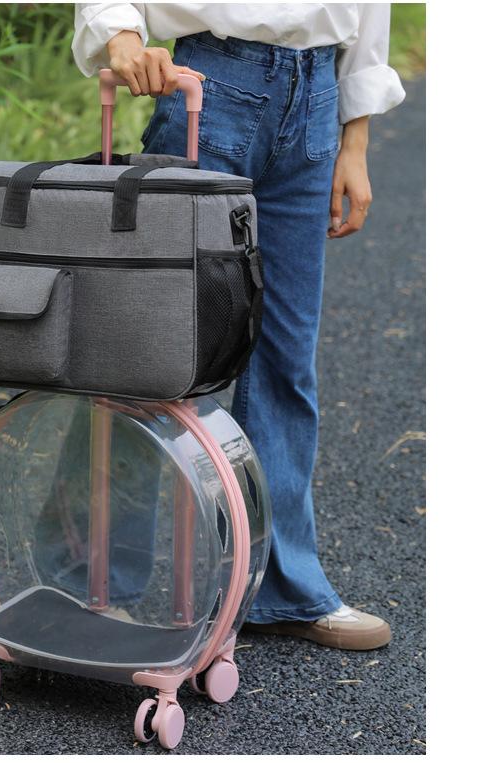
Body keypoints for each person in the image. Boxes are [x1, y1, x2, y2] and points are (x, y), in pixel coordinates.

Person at [72, 3, 405, 650]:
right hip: (212, 86)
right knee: (149, 352)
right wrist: (121, 37)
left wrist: (355, 140)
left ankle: (279, 588)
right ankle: (90, 588)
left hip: (316, 102)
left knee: (285, 363)